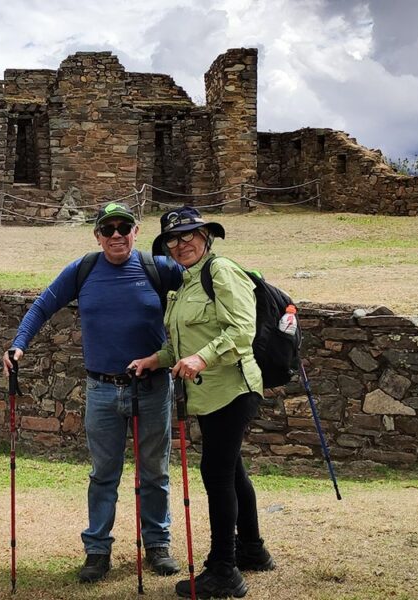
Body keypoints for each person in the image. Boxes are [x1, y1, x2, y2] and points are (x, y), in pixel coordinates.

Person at [2, 202, 183, 583]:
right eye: (108, 229)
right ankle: (97, 550)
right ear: (97, 235)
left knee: (154, 472)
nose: (116, 235)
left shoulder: (158, 268)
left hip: (152, 386)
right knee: (104, 474)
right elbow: (43, 304)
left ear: (136, 231)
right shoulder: (83, 269)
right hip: (102, 388)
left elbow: (203, 285)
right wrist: (19, 344)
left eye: (124, 227)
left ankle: (157, 545)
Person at [129, 206, 276, 599]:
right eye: (173, 239)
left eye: (189, 234)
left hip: (232, 388)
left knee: (216, 473)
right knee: (233, 471)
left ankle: (224, 571)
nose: (181, 244)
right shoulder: (186, 285)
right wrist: (155, 360)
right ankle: (253, 550)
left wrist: (202, 359)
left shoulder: (222, 271)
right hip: (208, 394)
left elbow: (242, 330)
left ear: (206, 236)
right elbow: (181, 344)